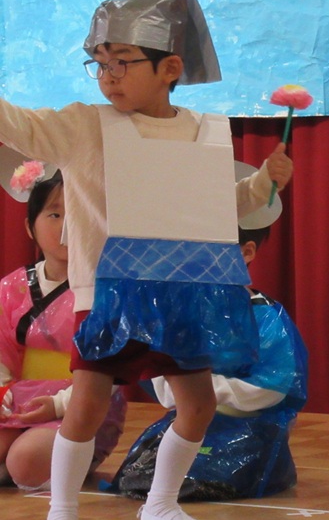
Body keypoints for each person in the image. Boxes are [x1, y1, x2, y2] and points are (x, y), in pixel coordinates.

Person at [0, 0, 293, 520]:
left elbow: (219, 207)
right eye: (99, 63)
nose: (108, 76)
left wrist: (264, 183)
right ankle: (62, 519)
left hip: (181, 290)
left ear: (170, 68)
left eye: (122, 62)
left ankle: (160, 505)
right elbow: (20, 125)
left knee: (198, 404)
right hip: (108, 294)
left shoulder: (200, 131)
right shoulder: (85, 125)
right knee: (85, 404)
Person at [110, 165, 308, 501]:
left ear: (246, 252)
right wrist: (187, 395)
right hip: (186, 420)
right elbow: (158, 370)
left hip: (246, 426)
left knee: (213, 476)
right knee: (139, 474)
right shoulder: (179, 310)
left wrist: (203, 391)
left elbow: (272, 386)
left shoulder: (264, 315)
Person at [0, 163, 125, 490]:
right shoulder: (10, 287)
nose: (68, 226)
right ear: (30, 227)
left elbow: (112, 369)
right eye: (55, 215)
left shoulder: (107, 289)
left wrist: (58, 404)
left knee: (25, 462)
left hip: (84, 403)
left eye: (78, 213)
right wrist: (3, 396)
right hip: (21, 401)